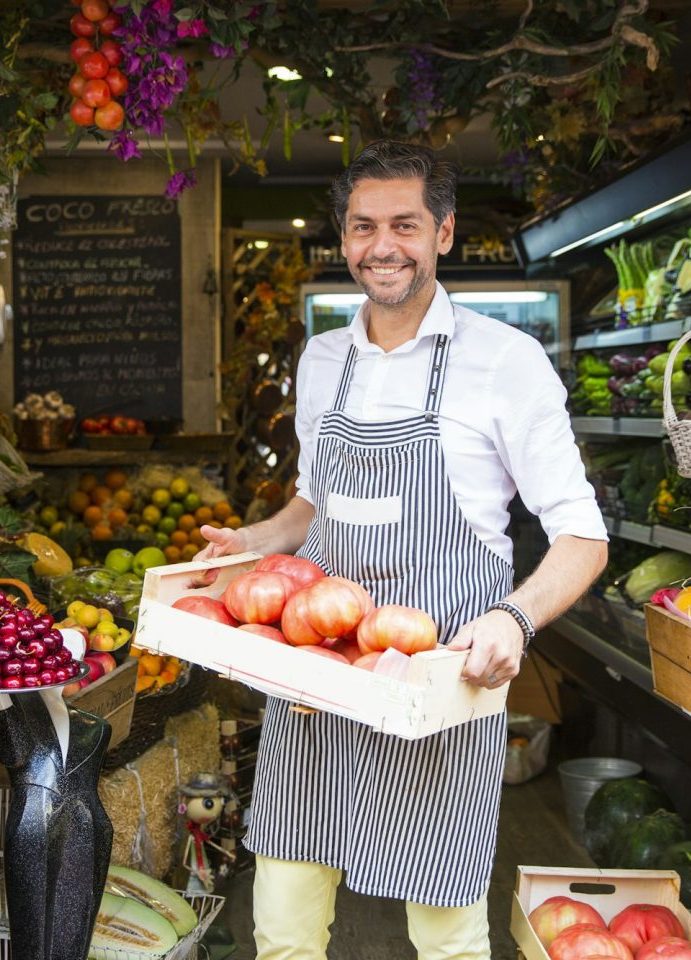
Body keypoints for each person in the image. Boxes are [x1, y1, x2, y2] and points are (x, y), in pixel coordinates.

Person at [197, 140, 608, 960]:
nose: (382, 245)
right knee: (279, 918)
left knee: (444, 927)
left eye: (404, 225)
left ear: (443, 234)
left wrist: (513, 620)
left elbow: (582, 535)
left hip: (436, 683)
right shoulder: (322, 360)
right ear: (343, 239)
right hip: (315, 676)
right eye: (362, 227)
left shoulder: (505, 362)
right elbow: (312, 507)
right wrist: (253, 542)